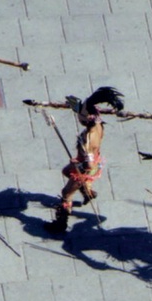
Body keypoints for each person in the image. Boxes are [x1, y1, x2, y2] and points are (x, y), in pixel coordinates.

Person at [46, 87, 125, 234]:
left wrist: (78, 164)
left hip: (84, 169)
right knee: (65, 171)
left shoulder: (87, 139)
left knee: (66, 193)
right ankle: (87, 191)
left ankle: (60, 224)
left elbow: (87, 165)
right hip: (96, 162)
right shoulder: (98, 124)